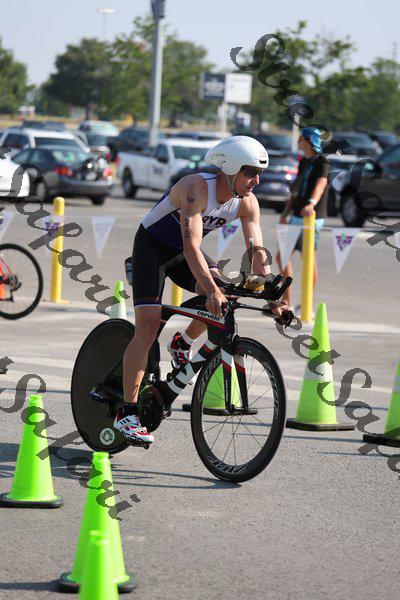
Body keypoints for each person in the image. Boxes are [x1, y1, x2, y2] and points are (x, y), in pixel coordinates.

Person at [114, 136, 291, 445]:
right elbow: (191, 247)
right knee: (148, 325)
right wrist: (211, 291)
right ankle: (127, 413)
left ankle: (182, 341)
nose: (257, 180)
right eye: (250, 172)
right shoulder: (195, 188)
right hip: (152, 250)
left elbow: (257, 254)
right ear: (231, 168)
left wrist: (273, 299)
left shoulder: (247, 202)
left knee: (228, 290)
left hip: (184, 254)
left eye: (259, 173)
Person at [276, 127, 329, 308]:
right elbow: (296, 191)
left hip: (311, 217)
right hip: (296, 215)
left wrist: (311, 203)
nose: (298, 142)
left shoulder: (322, 161)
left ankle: (306, 303)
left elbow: (321, 183)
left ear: (307, 141)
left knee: (308, 259)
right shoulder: (304, 161)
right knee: (282, 256)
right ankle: (287, 300)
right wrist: (285, 213)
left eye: (300, 139)